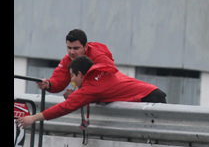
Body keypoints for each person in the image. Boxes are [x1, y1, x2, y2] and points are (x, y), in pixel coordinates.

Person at [18, 55, 166, 127]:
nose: (72, 80)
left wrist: (34, 118)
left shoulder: (91, 88)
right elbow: (103, 90)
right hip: (153, 93)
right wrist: (77, 94)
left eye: (72, 76)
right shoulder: (101, 70)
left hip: (151, 100)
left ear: (81, 74)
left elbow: (64, 107)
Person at [36, 29, 116, 94]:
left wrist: (76, 95)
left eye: (76, 48)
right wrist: (49, 84)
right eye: (69, 48)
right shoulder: (68, 59)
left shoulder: (100, 58)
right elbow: (59, 79)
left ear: (85, 47)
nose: (72, 52)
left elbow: (106, 84)